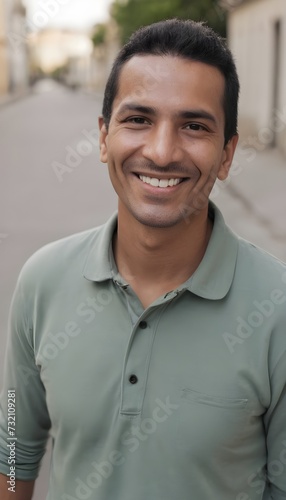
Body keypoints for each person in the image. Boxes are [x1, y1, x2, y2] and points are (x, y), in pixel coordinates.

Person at [0, 18, 285, 500]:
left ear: (226, 155)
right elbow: (13, 450)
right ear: (103, 136)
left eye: (194, 126)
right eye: (138, 119)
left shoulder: (276, 307)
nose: (161, 151)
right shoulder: (41, 282)